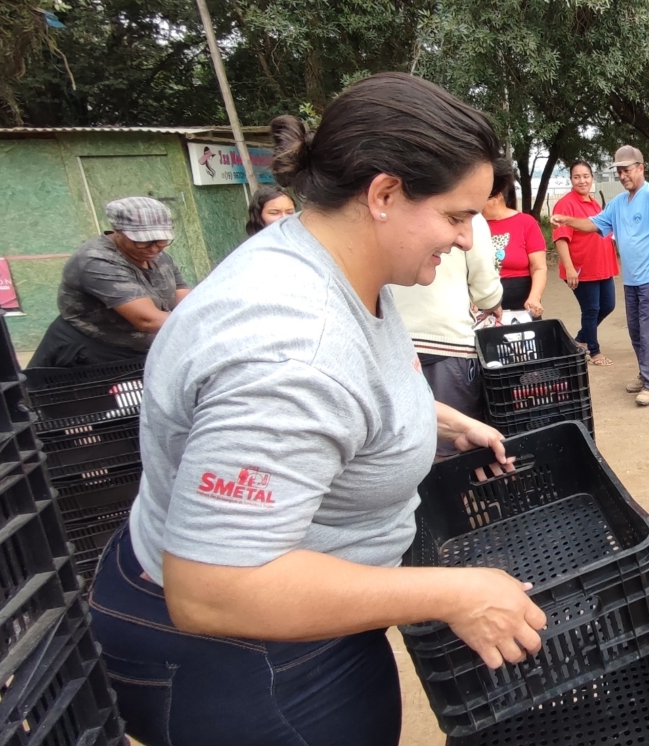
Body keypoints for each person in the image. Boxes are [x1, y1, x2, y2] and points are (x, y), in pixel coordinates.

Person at [87, 73, 545, 746]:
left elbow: (347, 397)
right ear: (384, 193)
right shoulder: (290, 347)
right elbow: (213, 586)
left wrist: (438, 420)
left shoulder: (339, 262)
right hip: (245, 655)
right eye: (456, 215)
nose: (467, 238)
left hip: (296, 625)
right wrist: (451, 593)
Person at [551, 145, 649, 407]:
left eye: (627, 170)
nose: (623, 175)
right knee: (636, 331)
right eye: (619, 171)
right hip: (631, 279)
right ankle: (645, 373)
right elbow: (594, 224)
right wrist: (566, 220)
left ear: (640, 168)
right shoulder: (617, 204)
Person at [391, 165, 507, 457]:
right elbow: (485, 286)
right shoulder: (472, 219)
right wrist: (493, 302)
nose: (463, 236)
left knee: (407, 445)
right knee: (454, 451)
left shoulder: (399, 209)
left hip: (394, 343)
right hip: (446, 341)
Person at [28, 196, 189, 368]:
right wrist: (201, 324)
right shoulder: (95, 261)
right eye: (142, 241)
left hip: (138, 350)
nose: (154, 248)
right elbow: (148, 320)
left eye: (161, 240)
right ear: (117, 231)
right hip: (89, 357)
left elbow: (184, 297)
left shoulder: (157, 255)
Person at [552, 160, 619, 365]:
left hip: (602, 265)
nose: (582, 180)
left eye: (586, 176)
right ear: (571, 179)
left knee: (607, 305)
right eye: (577, 177)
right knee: (591, 310)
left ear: (592, 178)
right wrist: (570, 268)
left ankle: (580, 340)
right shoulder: (565, 204)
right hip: (582, 268)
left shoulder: (594, 202)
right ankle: (594, 352)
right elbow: (561, 238)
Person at [484, 158, 547, 318]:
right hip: (484, 303)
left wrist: (534, 297)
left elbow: (538, 267)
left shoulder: (526, 222)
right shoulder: (472, 225)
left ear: (496, 196)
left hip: (521, 303)